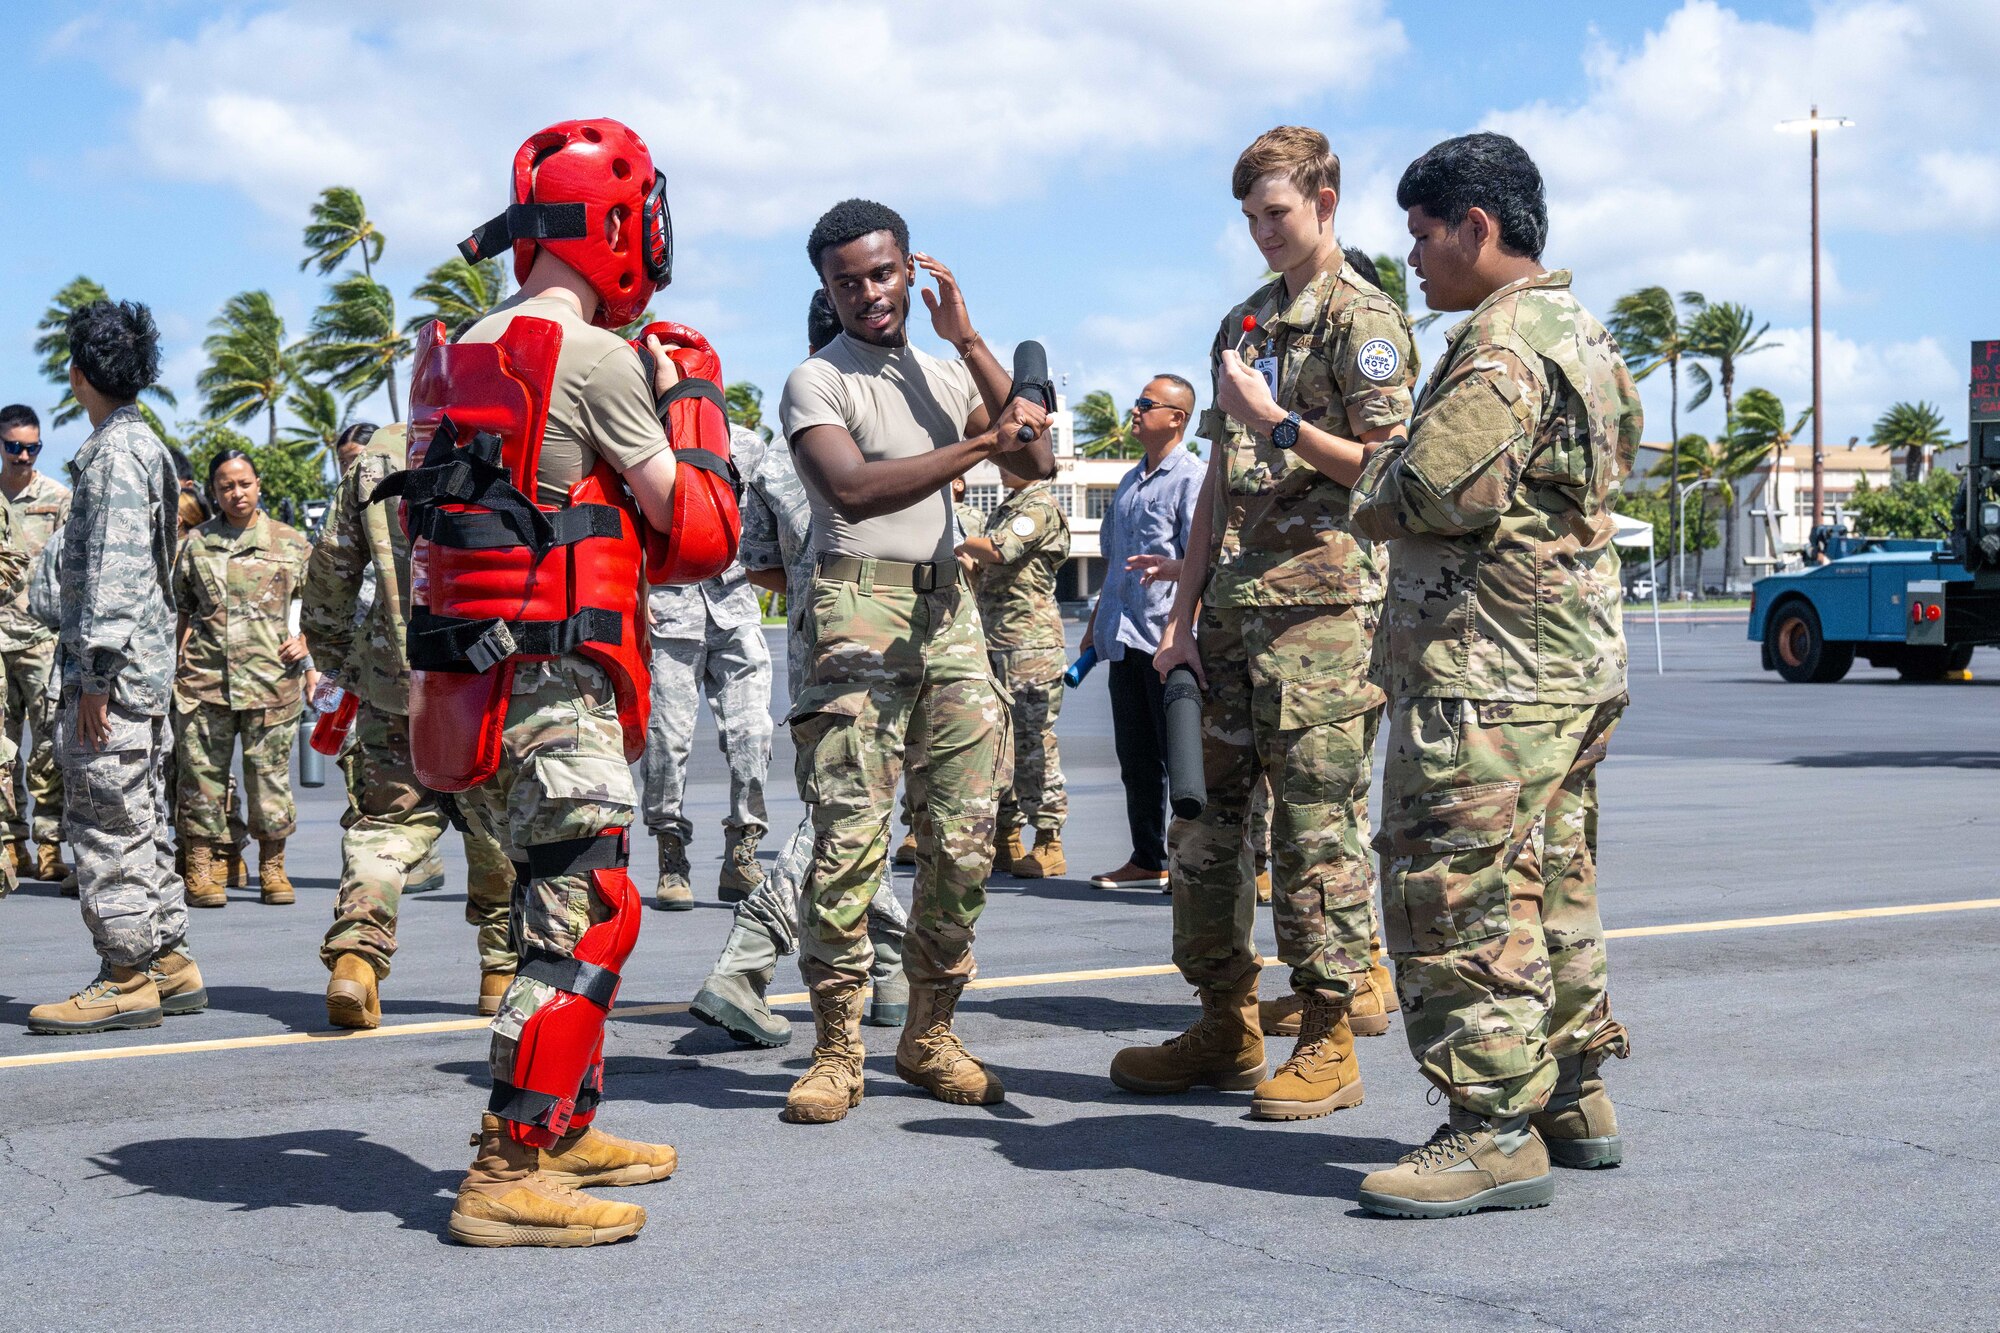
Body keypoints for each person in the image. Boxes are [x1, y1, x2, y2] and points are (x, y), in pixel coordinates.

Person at [395, 118, 738, 1247]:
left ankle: (566, 1122)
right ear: (614, 228)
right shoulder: (594, 358)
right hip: (555, 691)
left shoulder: (451, 351)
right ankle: (504, 1170)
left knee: (561, 900)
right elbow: (694, 536)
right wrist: (695, 401)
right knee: (585, 918)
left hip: (474, 691)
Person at [1348, 132, 1642, 1219]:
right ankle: (1570, 1093)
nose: (1413, 259)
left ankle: (1487, 1126)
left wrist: (1365, 472)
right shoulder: (1580, 330)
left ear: (1476, 227)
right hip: (1562, 663)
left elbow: (1436, 493)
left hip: (1488, 672)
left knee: (1452, 889)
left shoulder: (1500, 343)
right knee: (1551, 880)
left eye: (1422, 236)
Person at [1111, 126, 1413, 1121]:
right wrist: (1179, 617)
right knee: (1200, 834)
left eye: (1275, 214)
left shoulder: (1360, 321)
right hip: (1230, 623)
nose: (1260, 234)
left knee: (1318, 835)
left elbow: (1387, 470)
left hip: (1323, 622)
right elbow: (1213, 491)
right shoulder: (1241, 324)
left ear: (1326, 202)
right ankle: (1224, 1021)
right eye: (1247, 218)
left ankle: (1329, 1034)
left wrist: (1275, 419)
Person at [778, 197, 1052, 1123]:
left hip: (950, 611)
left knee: (968, 839)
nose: (868, 293)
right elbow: (850, 486)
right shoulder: (817, 381)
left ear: (911, 271)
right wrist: (980, 440)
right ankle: (836, 1049)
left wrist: (972, 341)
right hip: (860, 604)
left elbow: (1034, 464)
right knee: (850, 839)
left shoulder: (941, 372)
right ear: (827, 288)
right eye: (847, 280)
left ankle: (929, 1033)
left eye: (882, 273)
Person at [690, 292, 910, 1049]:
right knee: (843, 816)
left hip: (814, 651)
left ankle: (892, 968)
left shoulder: (785, 448)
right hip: (890, 648)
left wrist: (820, 592)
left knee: (852, 810)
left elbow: (761, 567)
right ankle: (745, 966)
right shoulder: (893, 428)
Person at [27, 299, 205, 1034]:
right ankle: (166, 959)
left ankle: (126, 974)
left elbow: (116, 575)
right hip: (133, 675)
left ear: (79, 375)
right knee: (136, 817)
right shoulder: (132, 446)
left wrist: (94, 678)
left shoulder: (116, 458)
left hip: (114, 680)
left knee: (105, 821)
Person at [302, 423, 517, 1027]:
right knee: (494, 829)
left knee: (385, 827)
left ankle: (355, 958)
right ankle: (501, 972)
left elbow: (330, 574)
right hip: (490, 673)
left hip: (394, 674)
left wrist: (344, 659)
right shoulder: (519, 432)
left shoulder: (377, 456)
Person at [638, 424, 773, 911]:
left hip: (734, 606)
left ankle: (743, 850)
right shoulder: (638, 440)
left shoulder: (746, 444)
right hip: (669, 611)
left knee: (752, 732)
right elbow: (619, 520)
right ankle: (670, 853)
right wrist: (634, 591)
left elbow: (775, 510)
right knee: (667, 739)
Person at [172, 451, 313, 907]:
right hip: (205, 682)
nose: (237, 493)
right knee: (200, 781)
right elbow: (180, 609)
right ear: (213, 492)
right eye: (226, 486)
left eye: (244, 483)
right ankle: (200, 867)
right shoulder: (196, 544)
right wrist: (175, 665)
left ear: (258, 484)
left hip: (271, 683)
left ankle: (272, 867)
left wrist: (307, 641)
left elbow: (325, 605)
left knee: (268, 781)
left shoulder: (290, 543)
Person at [1078, 375, 1203, 891]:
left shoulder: (1191, 478)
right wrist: (1092, 630)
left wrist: (1185, 628)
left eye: (1146, 404)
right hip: (1124, 640)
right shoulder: (1129, 482)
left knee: (1184, 760)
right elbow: (1112, 565)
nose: (1135, 410)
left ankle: (1190, 862)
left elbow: (1203, 560)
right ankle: (1147, 856)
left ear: (1176, 418)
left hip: (1168, 643)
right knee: (1136, 759)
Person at [960, 461, 1070, 877]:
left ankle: (1048, 840)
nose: (1001, 466)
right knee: (998, 743)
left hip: (1030, 644)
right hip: (995, 640)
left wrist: (955, 535)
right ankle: (1007, 836)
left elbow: (1000, 550)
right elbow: (982, 564)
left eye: (1010, 458)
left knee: (1032, 740)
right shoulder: (1006, 507)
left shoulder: (1037, 505)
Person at [0, 404, 71, 888]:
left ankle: (49, 845)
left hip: (43, 640)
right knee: (1, 750)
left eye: (32, 447)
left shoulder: (59, 498)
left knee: (49, 745)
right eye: (14, 447)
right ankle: (10, 844)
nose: (24, 456)